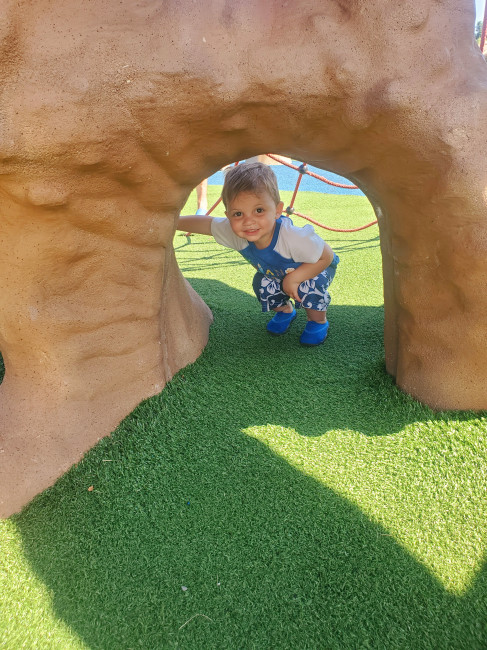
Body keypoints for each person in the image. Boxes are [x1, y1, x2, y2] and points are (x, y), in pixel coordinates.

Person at [178, 162, 339, 345]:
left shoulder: (292, 237)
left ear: (277, 210)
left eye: (259, 210)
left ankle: (317, 321)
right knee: (261, 282)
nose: (248, 221)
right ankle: (286, 311)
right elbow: (206, 224)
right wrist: (173, 221)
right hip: (276, 272)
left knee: (309, 286)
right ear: (228, 215)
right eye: (238, 213)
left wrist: (294, 279)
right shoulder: (234, 232)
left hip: (314, 267)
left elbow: (327, 256)